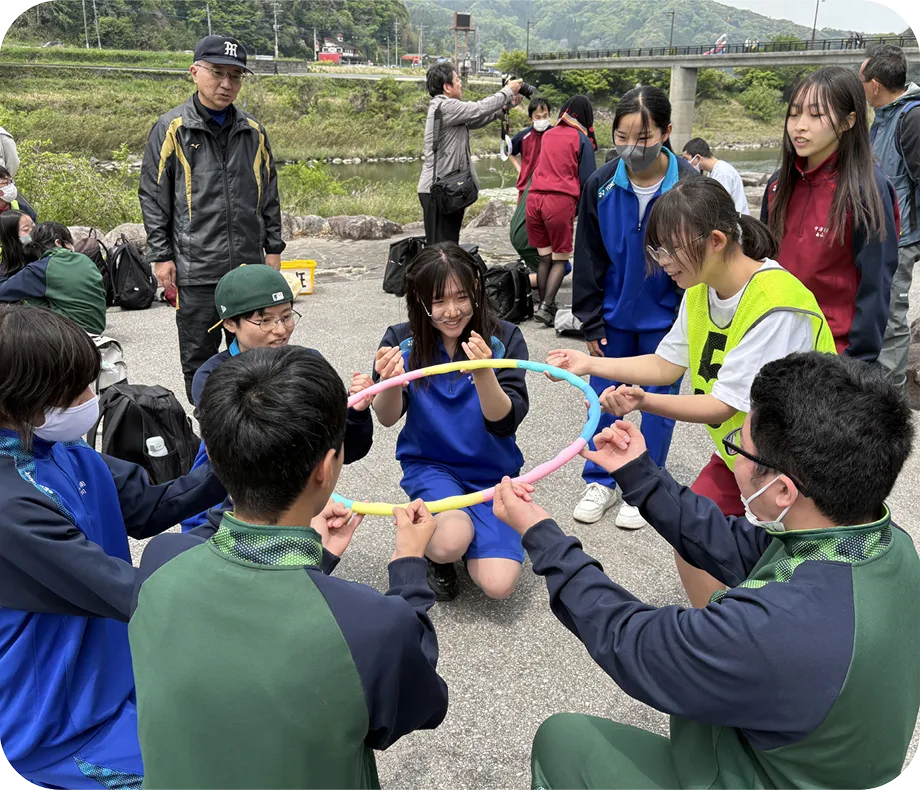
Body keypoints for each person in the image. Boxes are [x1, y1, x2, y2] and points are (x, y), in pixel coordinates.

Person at [493, 352, 920, 790]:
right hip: (824, 761)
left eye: (739, 446)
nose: (732, 454)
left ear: (783, 490)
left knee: (564, 740)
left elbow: (634, 641)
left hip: (766, 776)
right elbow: (730, 543)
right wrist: (640, 474)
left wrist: (543, 536)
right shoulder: (878, 542)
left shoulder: (777, 628)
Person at [130, 346, 449, 790]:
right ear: (326, 467)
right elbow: (422, 708)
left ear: (217, 459)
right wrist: (409, 571)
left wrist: (317, 558)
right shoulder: (373, 624)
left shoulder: (161, 562)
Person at [549, 176, 836, 606]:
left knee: (790, 572)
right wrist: (590, 363)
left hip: (804, 464)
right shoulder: (701, 291)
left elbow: (722, 406)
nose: (661, 260)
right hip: (744, 455)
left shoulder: (777, 304)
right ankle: (723, 632)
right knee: (690, 532)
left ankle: (762, 638)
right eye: (656, 249)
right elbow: (666, 365)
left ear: (717, 240)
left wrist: (643, 400)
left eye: (668, 249)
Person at [0, 304, 227, 790]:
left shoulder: (67, 452)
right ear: (21, 397)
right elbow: (132, 593)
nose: (91, 399)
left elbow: (149, 507)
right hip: (64, 723)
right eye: (75, 388)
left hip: (121, 680)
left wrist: (239, 455)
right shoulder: (10, 503)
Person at [368, 242, 530, 602]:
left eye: (460, 297)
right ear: (421, 301)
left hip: (493, 473)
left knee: (499, 585)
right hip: (432, 466)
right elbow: (387, 417)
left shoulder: (505, 339)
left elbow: (504, 424)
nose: (452, 311)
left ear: (476, 290)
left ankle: (469, 530)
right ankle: (437, 547)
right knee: (448, 542)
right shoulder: (401, 340)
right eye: (438, 301)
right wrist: (389, 382)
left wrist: (484, 372)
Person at [571, 85, 698, 529]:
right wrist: (589, 318)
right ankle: (601, 478)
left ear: (665, 132)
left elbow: (703, 258)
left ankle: (644, 482)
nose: (631, 148)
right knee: (606, 397)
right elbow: (586, 254)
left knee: (658, 403)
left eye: (642, 138)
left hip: (670, 318)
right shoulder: (601, 183)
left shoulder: (690, 186)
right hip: (614, 314)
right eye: (622, 137)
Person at [139, 35, 285, 403]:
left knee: (258, 351)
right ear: (194, 72)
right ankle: (210, 428)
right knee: (198, 356)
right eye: (217, 73)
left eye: (235, 76)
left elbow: (269, 193)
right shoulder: (172, 128)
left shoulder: (253, 131)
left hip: (248, 270)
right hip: (196, 266)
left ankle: (258, 422)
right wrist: (161, 255)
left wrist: (273, 248)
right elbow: (153, 196)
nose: (226, 84)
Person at [179, 263, 374, 532]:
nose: (281, 330)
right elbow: (249, 457)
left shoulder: (308, 364)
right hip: (226, 506)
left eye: (286, 316)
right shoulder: (212, 376)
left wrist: (356, 412)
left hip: (286, 497)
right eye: (265, 320)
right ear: (230, 323)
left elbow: (346, 450)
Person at [761, 66, 899, 363]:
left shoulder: (867, 190)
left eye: (815, 115)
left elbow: (875, 287)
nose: (800, 126)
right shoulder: (777, 185)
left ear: (848, 121)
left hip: (833, 355)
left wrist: (855, 365)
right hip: (774, 346)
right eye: (794, 113)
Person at [862, 44, 920, 391]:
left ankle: (890, 401)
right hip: (878, 233)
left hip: (900, 238)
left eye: (862, 78)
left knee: (891, 319)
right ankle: (874, 391)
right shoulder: (883, 119)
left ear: (875, 86)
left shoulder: (910, 118)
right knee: (875, 312)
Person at [417, 62, 522, 244]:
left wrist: (503, 109)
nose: (460, 83)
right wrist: (507, 91)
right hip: (438, 191)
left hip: (446, 189)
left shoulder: (446, 108)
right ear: (447, 87)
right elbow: (477, 109)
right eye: (457, 80)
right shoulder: (446, 107)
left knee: (447, 248)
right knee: (442, 252)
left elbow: (475, 119)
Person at [527, 95, 597, 326]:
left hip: (534, 199)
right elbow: (588, 179)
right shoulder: (581, 140)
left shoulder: (548, 134)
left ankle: (543, 304)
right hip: (558, 202)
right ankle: (547, 307)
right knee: (560, 259)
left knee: (544, 257)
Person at [0, 222, 106, 334]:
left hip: (74, 332)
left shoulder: (40, 268)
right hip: (98, 326)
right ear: (58, 242)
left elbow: (3, 292)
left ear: (58, 243)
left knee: (26, 297)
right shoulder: (85, 259)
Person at [681, 137, 749, 215]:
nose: (686, 163)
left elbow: (719, 202)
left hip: (736, 219)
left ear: (697, 157)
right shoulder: (713, 171)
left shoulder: (723, 173)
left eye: (686, 159)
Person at [509, 96, 553, 196]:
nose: (542, 119)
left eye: (545, 116)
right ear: (531, 119)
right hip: (526, 187)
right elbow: (510, 152)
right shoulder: (523, 136)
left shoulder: (555, 134)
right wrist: (520, 170)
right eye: (538, 117)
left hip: (549, 188)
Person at [0, 210, 36, 277]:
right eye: (26, 229)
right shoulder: (5, 277)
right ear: (11, 235)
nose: (32, 231)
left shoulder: (42, 253)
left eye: (33, 226)